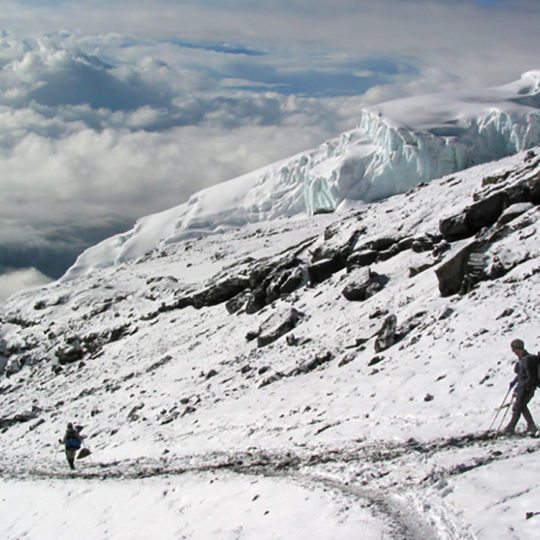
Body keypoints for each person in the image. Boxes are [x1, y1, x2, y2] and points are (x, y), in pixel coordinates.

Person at [504, 339, 537, 435]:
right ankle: (531, 426)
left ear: (518, 348)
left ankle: (511, 427)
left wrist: (524, 386)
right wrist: (514, 382)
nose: (513, 352)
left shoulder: (526, 360)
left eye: (514, 349)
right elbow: (521, 375)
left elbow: (530, 376)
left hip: (527, 388)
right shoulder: (523, 359)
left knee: (518, 407)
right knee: (521, 406)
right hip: (523, 387)